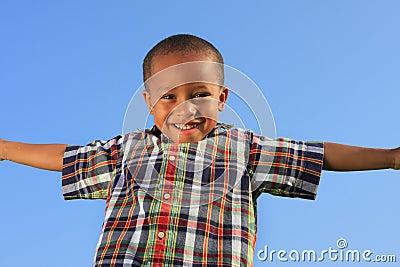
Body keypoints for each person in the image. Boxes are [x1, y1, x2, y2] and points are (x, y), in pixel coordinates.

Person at [0, 34, 398, 267]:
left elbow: (316, 155)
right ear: (148, 102)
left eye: (200, 95)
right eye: (168, 97)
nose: (184, 109)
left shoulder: (243, 149)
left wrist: (390, 158)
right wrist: (4, 149)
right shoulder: (128, 150)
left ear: (222, 98)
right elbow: (66, 158)